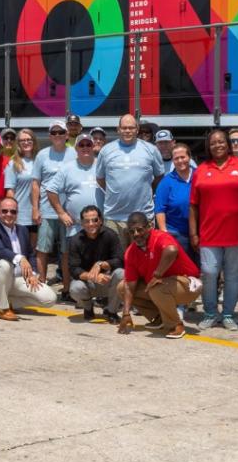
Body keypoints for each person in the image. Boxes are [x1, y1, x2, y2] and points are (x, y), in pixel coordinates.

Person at [191, 129, 238, 332]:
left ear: (228, 144)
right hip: (208, 233)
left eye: (221, 142)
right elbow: (193, 205)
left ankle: (227, 314)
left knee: (233, 274)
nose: (217, 145)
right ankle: (210, 312)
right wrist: (194, 233)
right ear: (208, 146)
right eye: (213, 143)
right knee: (209, 272)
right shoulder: (201, 169)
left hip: (236, 233)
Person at [116, 212, 201, 340]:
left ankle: (176, 325)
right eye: (132, 232)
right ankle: (159, 317)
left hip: (188, 285)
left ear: (149, 226)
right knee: (122, 287)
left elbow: (172, 250)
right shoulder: (131, 252)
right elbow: (130, 285)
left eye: (140, 230)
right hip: (163, 286)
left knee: (156, 287)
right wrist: (126, 313)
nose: (136, 234)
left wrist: (157, 275)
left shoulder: (160, 237)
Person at [0, 197, 57, 320]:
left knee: (49, 299)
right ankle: (2, 309)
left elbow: (31, 254)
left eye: (13, 211)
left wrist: (32, 273)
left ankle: (9, 302)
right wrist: (20, 258)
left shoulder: (22, 230)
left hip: (19, 279)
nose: (9, 214)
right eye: (4, 211)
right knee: (4, 264)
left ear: (17, 213)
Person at [95, 114, 164, 246]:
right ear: (118, 129)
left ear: (137, 129)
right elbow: (100, 179)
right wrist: (116, 191)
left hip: (143, 217)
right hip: (114, 218)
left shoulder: (151, 150)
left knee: (143, 260)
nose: (127, 131)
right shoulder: (106, 151)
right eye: (124, 128)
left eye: (131, 127)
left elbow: (159, 177)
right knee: (115, 262)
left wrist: (146, 190)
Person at [32, 121, 76, 285]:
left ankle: (66, 287)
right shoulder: (42, 155)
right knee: (42, 249)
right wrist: (35, 209)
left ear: (66, 135)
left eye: (60, 132)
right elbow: (36, 183)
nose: (57, 135)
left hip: (68, 212)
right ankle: (41, 284)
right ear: (50, 136)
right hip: (46, 210)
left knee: (66, 252)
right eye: (54, 133)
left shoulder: (74, 153)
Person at [67, 205, 123, 322]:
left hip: (108, 280)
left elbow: (119, 260)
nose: (91, 224)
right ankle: (88, 307)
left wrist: (101, 264)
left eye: (95, 220)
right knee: (75, 288)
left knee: (122, 274)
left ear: (101, 221)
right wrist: (93, 276)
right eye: (87, 221)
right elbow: (74, 269)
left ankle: (111, 311)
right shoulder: (75, 240)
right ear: (82, 223)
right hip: (88, 282)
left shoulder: (110, 235)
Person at [46, 133, 103, 239]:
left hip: (100, 227)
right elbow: (50, 190)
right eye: (82, 145)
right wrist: (61, 213)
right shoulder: (67, 168)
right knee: (72, 255)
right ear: (76, 148)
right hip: (76, 228)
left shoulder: (102, 165)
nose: (85, 147)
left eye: (88, 145)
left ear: (93, 147)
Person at [154, 143, 197, 263]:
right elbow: (160, 209)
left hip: (200, 231)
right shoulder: (166, 182)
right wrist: (164, 233)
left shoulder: (200, 175)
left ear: (189, 157)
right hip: (177, 233)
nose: (180, 161)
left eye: (183, 157)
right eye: (176, 158)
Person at [4, 128, 39, 246]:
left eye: (29, 139)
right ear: (18, 144)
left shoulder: (40, 160)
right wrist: (13, 213)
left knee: (35, 250)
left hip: (39, 213)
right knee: (21, 249)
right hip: (21, 215)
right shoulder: (13, 163)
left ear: (34, 141)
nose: (26, 142)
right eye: (22, 140)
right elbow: (10, 191)